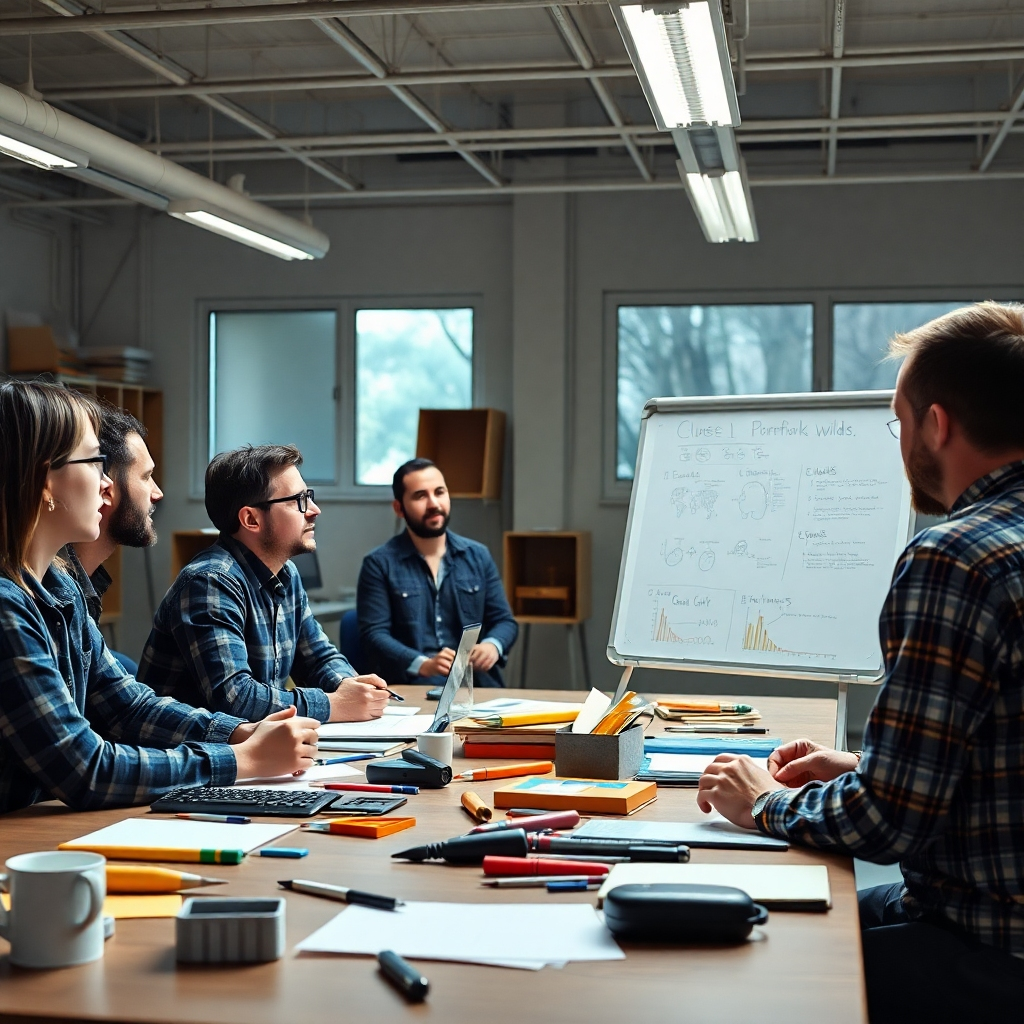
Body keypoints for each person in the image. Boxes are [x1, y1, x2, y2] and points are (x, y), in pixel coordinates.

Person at [695, 303, 1024, 1022]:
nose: (901, 440)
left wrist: (763, 803)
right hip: (987, 910)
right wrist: (860, 767)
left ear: (936, 425)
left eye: (898, 421)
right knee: (781, 912)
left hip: (987, 944)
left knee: (747, 970)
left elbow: (885, 827)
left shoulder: (958, 557)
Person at [0, 380, 318, 814]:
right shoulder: (6, 606)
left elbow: (128, 707)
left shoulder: (61, 586)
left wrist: (239, 734)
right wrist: (242, 760)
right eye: (95, 462)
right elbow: (85, 769)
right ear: (44, 481)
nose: (107, 485)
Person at [139, 444, 389, 724]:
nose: (314, 510)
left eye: (309, 496)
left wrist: (350, 687)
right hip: (192, 756)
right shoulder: (210, 582)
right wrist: (334, 704)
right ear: (251, 519)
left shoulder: (287, 574)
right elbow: (235, 698)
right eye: (298, 501)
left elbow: (318, 658)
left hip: (250, 752)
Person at [357, 458, 517, 687]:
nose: (434, 503)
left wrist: (493, 645)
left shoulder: (478, 555)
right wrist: (423, 663)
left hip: (476, 684)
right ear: (399, 508)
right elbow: (374, 635)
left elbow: (505, 621)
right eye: (420, 496)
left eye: (439, 492)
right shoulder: (379, 563)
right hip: (412, 686)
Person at [61, 403, 163, 675]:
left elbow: (128, 702)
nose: (157, 493)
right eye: (146, 476)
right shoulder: (33, 592)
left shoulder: (79, 583)